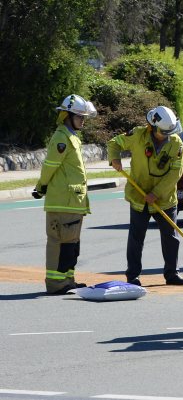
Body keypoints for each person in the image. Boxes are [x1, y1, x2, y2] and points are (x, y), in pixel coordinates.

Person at [108, 106, 183, 286]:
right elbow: (114, 143)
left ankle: (172, 273)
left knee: (171, 237)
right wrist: (115, 158)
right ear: (151, 126)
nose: (166, 135)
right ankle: (133, 275)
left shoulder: (176, 143)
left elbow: (176, 173)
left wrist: (156, 193)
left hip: (165, 198)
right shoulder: (137, 135)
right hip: (139, 197)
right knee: (136, 238)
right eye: (162, 132)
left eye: (169, 132)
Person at [35, 95, 97, 294]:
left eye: (83, 117)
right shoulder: (62, 138)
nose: (83, 120)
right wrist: (41, 186)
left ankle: (67, 280)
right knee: (59, 244)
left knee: (71, 245)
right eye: (79, 116)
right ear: (66, 116)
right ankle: (56, 283)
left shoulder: (72, 137)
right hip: (63, 202)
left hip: (73, 202)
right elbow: (50, 166)